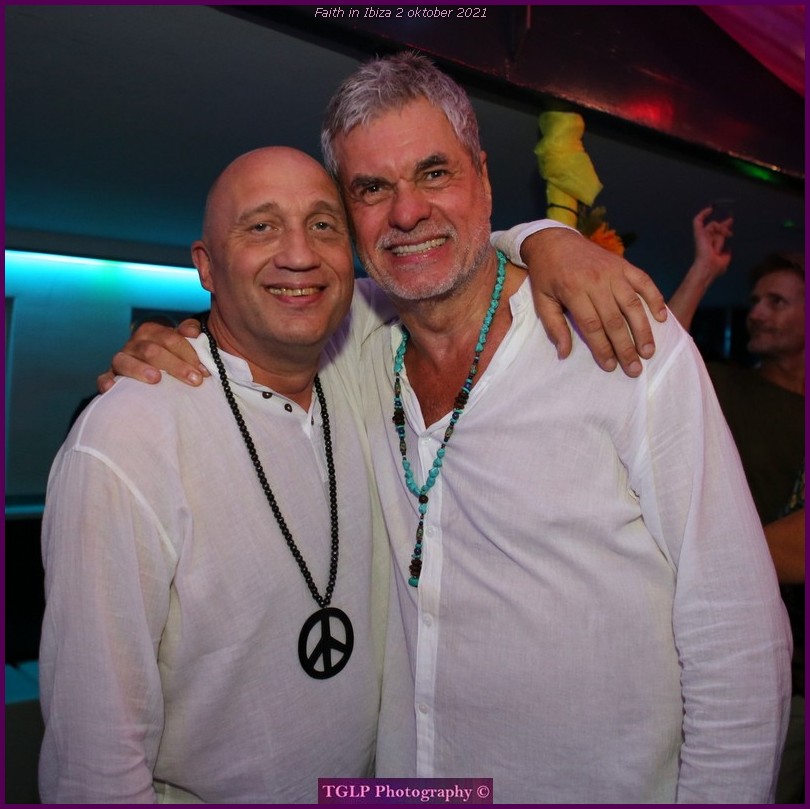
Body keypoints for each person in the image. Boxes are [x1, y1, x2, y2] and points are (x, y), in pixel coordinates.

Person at [101, 53, 791, 803]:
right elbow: (263, 319)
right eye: (372, 188)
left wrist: (542, 237)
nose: (406, 213)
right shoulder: (357, 353)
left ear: (483, 180)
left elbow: (737, 634)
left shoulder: (623, 345)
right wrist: (176, 348)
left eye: (434, 173)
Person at [39, 147, 393, 803]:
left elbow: (449, 262)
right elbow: (94, 766)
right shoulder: (127, 437)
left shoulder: (361, 370)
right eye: (261, 226)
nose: (299, 254)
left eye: (323, 225)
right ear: (205, 265)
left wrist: (547, 242)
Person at [669, 213, 805, 803]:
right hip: (717, 653)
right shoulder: (729, 386)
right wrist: (704, 271)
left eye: (777, 302)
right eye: (754, 301)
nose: (756, 313)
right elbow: (653, 357)